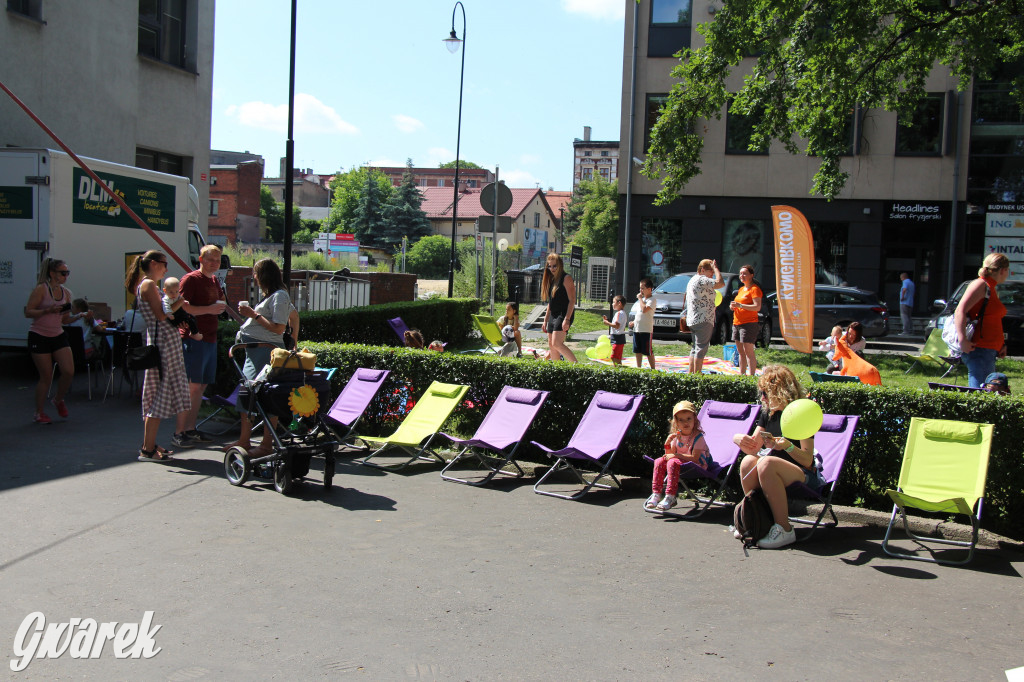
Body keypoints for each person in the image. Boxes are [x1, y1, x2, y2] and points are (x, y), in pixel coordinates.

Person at [732, 365, 824, 549]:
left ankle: (785, 529)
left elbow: (807, 460)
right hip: (775, 470)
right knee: (748, 462)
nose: (762, 397)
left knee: (767, 463)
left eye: (766, 392)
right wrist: (738, 439)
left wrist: (788, 446)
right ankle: (755, 517)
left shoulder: (800, 413)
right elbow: (754, 448)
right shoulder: (769, 413)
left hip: (805, 474)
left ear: (779, 390)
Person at [225, 258, 297, 458]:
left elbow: (278, 327)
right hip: (254, 352)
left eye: (256, 273)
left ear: (264, 275)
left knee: (267, 396)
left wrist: (253, 315)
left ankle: (266, 444)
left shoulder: (280, 296)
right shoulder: (273, 296)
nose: (254, 277)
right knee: (247, 394)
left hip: (266, 353)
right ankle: (244, 440)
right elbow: (293, 317)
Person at [125, 251, 191, 461]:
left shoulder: (147, 285)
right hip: (163, 343)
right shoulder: (148, 285)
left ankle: (150, 444)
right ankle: (147, 448)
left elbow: (163, 315)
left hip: (162, 340)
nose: (166, 269)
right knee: (159, 396)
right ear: (153, 264)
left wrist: (177, 316)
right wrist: (181, 304)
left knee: (157, 394)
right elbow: (161, 315)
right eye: (164, 264)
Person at [175, 244, 227, 448]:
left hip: (210, 338)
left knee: (200, 387)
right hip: (193, 338)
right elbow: (182, 307)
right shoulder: (190, 279)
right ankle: (179, 432)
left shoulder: (214, 280)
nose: (215, 263)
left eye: (218, 260)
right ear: (201, 259)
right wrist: (210, 309)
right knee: (191, 387)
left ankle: (190, 429)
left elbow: (219, 304)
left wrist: (218, 307)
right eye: (211, 259)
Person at [24, 257, 75, 424]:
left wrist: (80, 316)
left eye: (67, 273)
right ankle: (38, 412)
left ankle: (58, 399)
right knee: (46, 376)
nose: (66, 276)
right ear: (52, 274)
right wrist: (47, 310)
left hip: (57, 334)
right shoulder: (41, 289)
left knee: (68, 371)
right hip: (39, 334)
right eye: (63, 273)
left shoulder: (66, 293)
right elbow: (28, 312)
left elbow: (65, 319)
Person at [954, 253, 1010, 388]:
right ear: (1003, 270)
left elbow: (990, 318)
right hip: (979, 349)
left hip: (988, 350)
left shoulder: (991, 287)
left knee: (986, 394)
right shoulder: (981, 285)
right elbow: (960, 310)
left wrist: (1000, 345)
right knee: (980, 395)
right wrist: (963, 340)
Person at [646, 400, 711, 512]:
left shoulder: (698, 437)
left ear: (695, 419)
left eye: (689, 419)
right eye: (681, 420)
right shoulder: (677, 435)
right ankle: (656, 494)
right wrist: (667, 444)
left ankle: (670, 496)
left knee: (672, 461)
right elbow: (668, 456)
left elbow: (695, 458)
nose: (685, 422)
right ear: (676, 422)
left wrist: (675, 455)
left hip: (696, 466)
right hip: (680, 463)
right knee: (659, 461)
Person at [685, 258, 725, 375]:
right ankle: (697, 374)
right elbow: (721, 283)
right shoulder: (702, 279)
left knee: (695, 348)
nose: (712, 274)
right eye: (710, 271)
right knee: (701, 348)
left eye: (713, 271)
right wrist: (716, 268)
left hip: (694, 318)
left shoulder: (693, 279)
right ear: (702, 270)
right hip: (703, 318)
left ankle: (691, 374)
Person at [540, 253, 577, 363]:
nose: (552, 268)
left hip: (564, 313)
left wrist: (567, 319)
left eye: (554, 266)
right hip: (553, 314)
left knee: (557, 343)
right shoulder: (552, 280)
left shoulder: (566, 278)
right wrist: (545, 320)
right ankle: (558, 371)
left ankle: (577, 367)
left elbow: (572, 300)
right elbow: (550, 303)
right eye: (549, 266)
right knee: (552, 345)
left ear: (560, 265)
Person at [729, 264, 763, 376]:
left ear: (751, 275)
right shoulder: (741, 289)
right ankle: (742, 375)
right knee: (740, 352)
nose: (741, 275)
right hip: (737, 323)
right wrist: (733, 306)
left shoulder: (755, 289)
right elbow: (738, 304)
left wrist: (741, 305)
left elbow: (757, 307)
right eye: (740, 273)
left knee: (748, 352)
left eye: (745, 273)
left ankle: (751, 376)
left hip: (749, 324)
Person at [628, 277, 657, 370]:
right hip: (637, 329)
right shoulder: (642, 300)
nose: (641, 290)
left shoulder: (652, 300)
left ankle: (653, 368)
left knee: (648, 351)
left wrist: (640, 299)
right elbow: (639, 313)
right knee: (637, 350)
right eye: (640, 288)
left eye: (642, 288)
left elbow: (644, 310)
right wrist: (634, 322)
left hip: (646, 330)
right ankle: (639, 367)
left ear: (649, 289)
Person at [602, 295, 628, 367]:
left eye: (614, 302)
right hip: (620, 337)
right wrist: (608, 321)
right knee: (618, 357)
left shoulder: (619, 313)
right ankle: (619, 369)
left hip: (617, 338)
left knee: (614, 356)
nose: (612, 304)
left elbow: (617, 326)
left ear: (619, 303)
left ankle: (616, 369)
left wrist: (607, 323)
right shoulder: (623, 313)